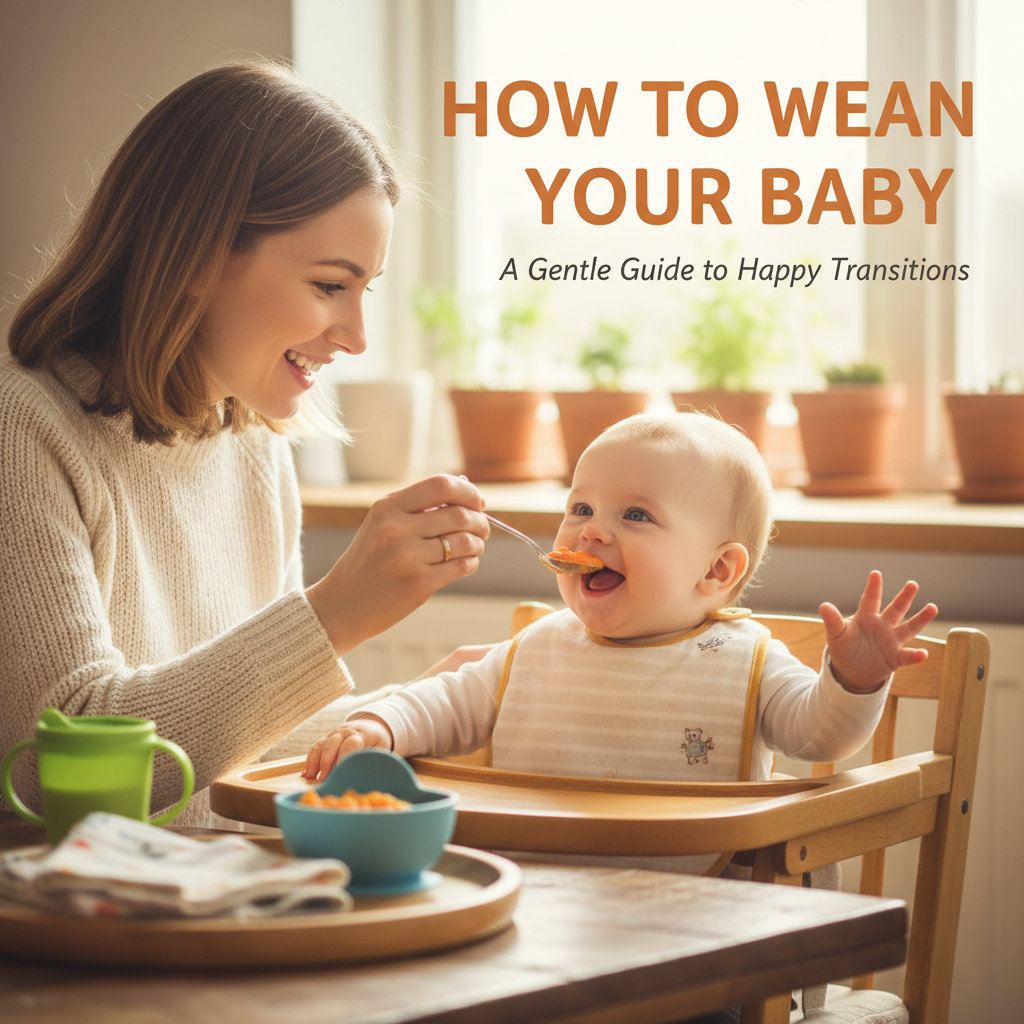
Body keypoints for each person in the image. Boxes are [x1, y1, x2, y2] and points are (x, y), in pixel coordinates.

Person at [0, 61, 490, 828]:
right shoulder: (22, 429)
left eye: (367, 290)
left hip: (215, 904)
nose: (357, 337)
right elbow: (50, 767)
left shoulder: (251, 442)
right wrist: (333, 614)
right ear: (197, 258)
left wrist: (415, 711)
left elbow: (235, 740)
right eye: (331, 285)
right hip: (78, 926)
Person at [303, 412, 939, 874]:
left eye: (635, 515)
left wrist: (853, 679)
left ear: (717, 571)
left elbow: (818, 736)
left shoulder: (747, 659)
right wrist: (377, 726)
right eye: (581, 508)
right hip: (542, 906)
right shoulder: (538, 646)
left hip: (704, 927)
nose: (593, 532)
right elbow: (444, 703)